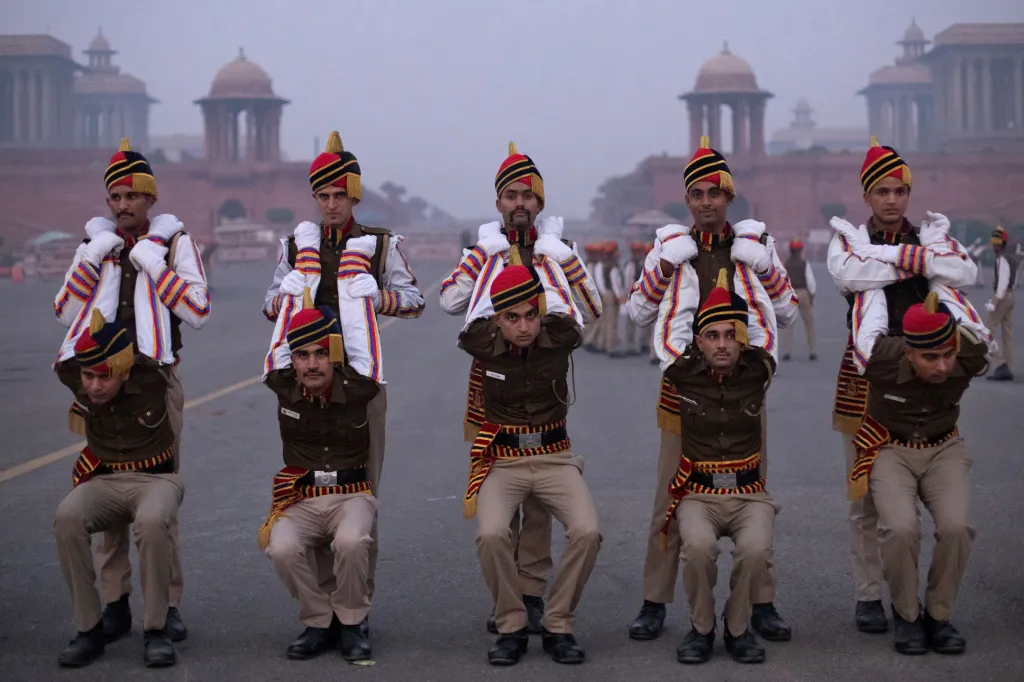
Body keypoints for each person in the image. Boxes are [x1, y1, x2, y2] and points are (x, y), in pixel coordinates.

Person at [625, 136, 798, 643]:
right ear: (687, 201)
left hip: (744, 392)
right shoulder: (670, 250)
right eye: (697, 194)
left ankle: (761, 601)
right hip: (684, 391)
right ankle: (655, 600)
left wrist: (764, 265)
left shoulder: (753, 247)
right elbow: (637, 310)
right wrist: (664, 264)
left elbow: (785, 311)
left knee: (754, 493)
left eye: (715, 194)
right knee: (669, 499)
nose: (706, 203)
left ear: (729, 198)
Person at [439, 142, 602, 634]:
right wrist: (481, 262)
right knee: (501, 489)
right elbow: (449, 300)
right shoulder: (482, 250)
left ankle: (531, 592)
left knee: (539, 503)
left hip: (545, 378)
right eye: (511, 195)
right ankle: (508, 594)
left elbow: (591, 309)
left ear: (540, 203)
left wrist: (560, 264)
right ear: (498, 203)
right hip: (493, 376)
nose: (520, 204)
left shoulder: (557, 251)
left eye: (528, 195)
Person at [52, 138, 209, 645]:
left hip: (155, 385)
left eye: (132, 197)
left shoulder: (174, 243)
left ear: (150, 200)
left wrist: (152, 262)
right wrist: (95, 255)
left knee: (154, 496)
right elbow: (66, 311)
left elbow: (197, 311)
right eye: (114, 197)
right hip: (100, 382)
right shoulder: (94, 246)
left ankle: (167, 603)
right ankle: (115, 601)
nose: (122, 206)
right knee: (104, 485)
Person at [261, 131, 424, 613]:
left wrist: (379, 296)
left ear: (354, 194)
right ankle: (322, 607)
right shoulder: (295, 246)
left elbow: (415, 301)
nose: (331, 205)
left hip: (360, 383)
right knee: (309, 489)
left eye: (339, 195)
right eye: (322, 196)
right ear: (314, 197)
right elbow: (271, 308)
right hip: (304, 380)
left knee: (361, 493)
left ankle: (355, 604)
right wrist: (280, 296)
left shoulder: (378, 245)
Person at [827, 137, 977, 634]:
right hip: (867, 374)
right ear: (866, 196)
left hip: (925, 371)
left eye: (899, 191)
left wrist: (897, 259)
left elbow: (963, 271)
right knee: (865, 498)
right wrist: (920, 261)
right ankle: (870, 593)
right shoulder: (847, 241)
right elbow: (850, 274)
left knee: (915, 495)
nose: (892, 200)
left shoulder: (926, 238)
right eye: (882, 192)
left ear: (908, 195)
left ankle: (914, 599)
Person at [459, 263, 601, 666]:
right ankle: (511, 624)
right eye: (512, 318)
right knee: (491, 534)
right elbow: (468, 322)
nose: (524, 326)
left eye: (530, 315)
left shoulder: (560, 336)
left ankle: (558, 622)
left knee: (588, 531)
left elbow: (581, 312)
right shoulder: (481, 342)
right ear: (496, 319)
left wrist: (551, 265)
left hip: (554, 457)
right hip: (503, 460)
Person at [845, 286, 990, 655]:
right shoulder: (878, 358)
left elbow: (972, 323)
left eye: (947, 354)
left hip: (944, 447)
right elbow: (864, 317)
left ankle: (938, 617)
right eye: (930, 357)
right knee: (899, 528)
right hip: (891, 447)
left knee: (957, 527)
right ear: (908, 353)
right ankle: (908, 616)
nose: (942, 366)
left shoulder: (970, 355)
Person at [260, 235, 384, 661]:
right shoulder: (283, 385)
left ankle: (352, 621)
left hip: (351, 493)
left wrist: (355, 280)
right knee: (279, 546)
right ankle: (318, 621)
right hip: (303, 496)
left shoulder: (358, 388)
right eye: (302, 355)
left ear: (334, 354)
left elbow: (362, 343)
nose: (311, 363)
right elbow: (279, 346)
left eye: (320, 354)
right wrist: (300, 286)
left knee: (351, 542)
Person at [656, 269, 778, 664]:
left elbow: (765, 319)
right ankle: (702, 628)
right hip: (699, 492)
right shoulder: (682, 374)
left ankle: (738, 628)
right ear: (698, 342)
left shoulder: (760, 370)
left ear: (741, 340)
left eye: (730, 335)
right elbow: (667, 328)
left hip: (748, 492)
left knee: (756, 549)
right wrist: (683, 277)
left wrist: (746, 267)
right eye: (712, 336)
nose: (722, 345)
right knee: (697, 547)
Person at [53, 311, 184, 668]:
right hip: (106, 479)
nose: (94, 386)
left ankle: (156, 628)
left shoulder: (153, 379)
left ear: (125, 369)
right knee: (66, 518)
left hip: (155, 479)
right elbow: (66, 358)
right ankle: (89, 629)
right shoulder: (78, 378)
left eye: (104, 376)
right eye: (88, 376)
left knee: (154, 521)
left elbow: (158, 338)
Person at [985, 226, 1015, 381]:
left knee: (987, 329)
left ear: (1000, 244)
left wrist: (995, 302)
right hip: (1011, 296)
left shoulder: (1001, 259)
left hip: (1003, 297)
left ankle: (1001, 364)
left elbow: (1003, 283)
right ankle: (1008, 366)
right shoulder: (1009, 256)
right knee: (1007, 334)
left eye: (996, 243)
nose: (994, 246)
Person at [781, 237, 817, 361]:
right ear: (800, 250)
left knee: (788, 324)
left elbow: (782, 282)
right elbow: (811, 282)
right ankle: (812, 351)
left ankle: (787, 351)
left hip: (790, 294)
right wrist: (812, 296)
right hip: (803, 292)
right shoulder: (804, 263)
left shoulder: (785, 265)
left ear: (790, 250)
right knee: (809, 323)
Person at [594, 242, 625, 356]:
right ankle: (610, 347)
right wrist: (619, 296)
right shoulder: (613, 266)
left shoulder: (602, 265)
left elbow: (600, 282)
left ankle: (603, 344)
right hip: (611, 295)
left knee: (607, 321)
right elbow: (615, 283)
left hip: (606, 295)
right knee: (611, 323)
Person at [622, 242, 652, 356]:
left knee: (646, 320)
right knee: (630, 322)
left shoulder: (645, 263)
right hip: (634, 295)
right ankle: (630, 345)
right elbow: (628, 281)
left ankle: (644, 343)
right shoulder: (630, 265)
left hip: (644, 295)